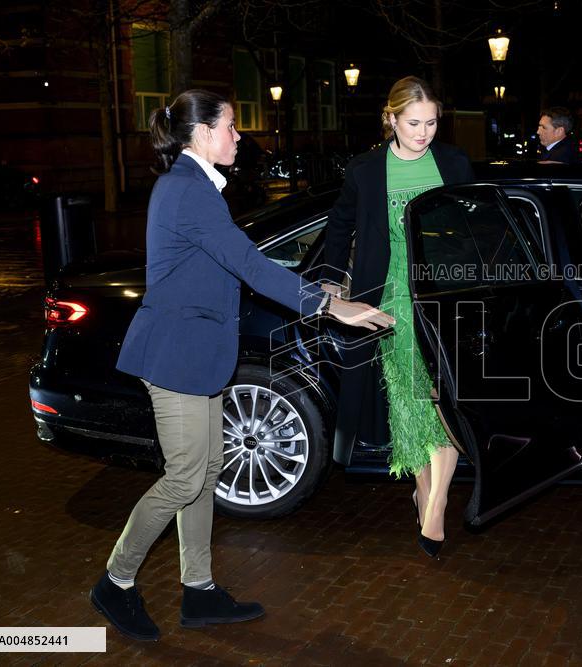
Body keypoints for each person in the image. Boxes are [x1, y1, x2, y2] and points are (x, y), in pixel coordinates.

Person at [90, 89, 393, 642]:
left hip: (199, 355)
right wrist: (330, 305)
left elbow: (231, 259)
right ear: (202, 133)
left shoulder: (197, 188)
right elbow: (248, 264)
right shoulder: (187, 190)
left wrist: (316, 283)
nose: (237, 136)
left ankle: (199, 590)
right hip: (177, 356)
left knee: (204, 474)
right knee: (184, 477)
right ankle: (116, 581)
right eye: (231, 126)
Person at [320, 76, 475, 558]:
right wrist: (329, 278)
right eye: (413, 123)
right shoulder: (367, 169)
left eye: (431, 122)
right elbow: (341, 221)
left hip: (447, 297)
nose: (424, 132)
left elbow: (476, 224)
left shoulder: (453, 163)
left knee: (445, 398)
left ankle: (436, 502)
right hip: (391, 299)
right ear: (390, 119)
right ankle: (427, 494)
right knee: (413, 401)